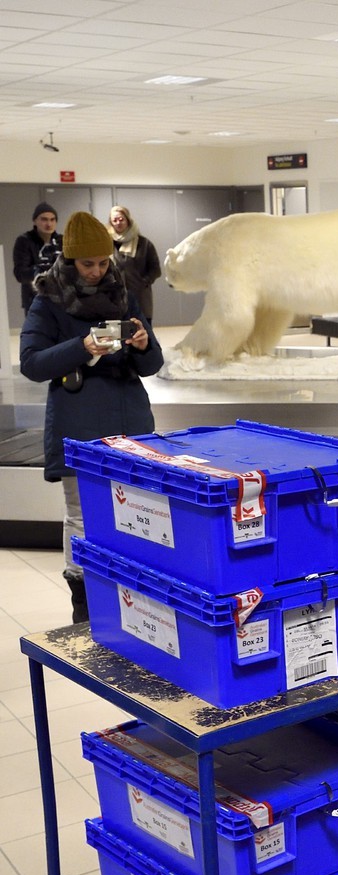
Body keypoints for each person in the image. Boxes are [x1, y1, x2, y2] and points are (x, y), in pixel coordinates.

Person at [19, 211, 163, 623]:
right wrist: (82, 346)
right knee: (81, 516)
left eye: (103, 262)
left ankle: (135, 600)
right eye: (88, 264)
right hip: (77, 423)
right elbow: (31, 363)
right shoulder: (48, 299)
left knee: (137, 512)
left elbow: (153, 363)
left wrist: (139, 343)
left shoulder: (123, 294)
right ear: (69, 259)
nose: (98, 271)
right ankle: (83, 603)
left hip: (131, 423)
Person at [108, 204, 163, 323]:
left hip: (140, 296)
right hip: (114, 296)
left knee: (143, 333)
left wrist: (144, 282)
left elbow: (155, 269)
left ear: (128, 220)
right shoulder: (107, 243)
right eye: (115, 220)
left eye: (121, 219)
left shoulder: (144, 243)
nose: (118, 222)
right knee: (118, 335)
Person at [12, 202, 61, 313]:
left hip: (61, 297)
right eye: (44, 219)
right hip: (34, 298)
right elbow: (20, 274)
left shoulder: (61, 241)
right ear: (35, 221)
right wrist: (43, 269)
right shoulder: (24, 241)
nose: (49, 224)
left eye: (52, 220)